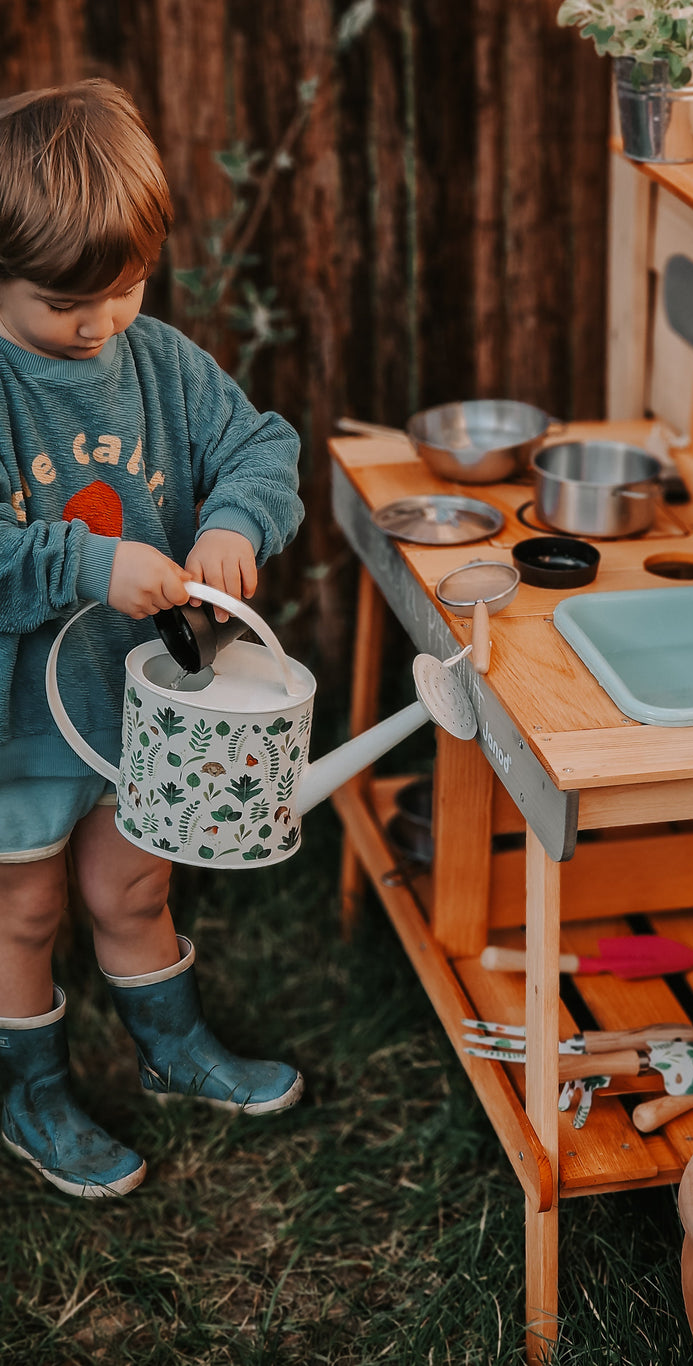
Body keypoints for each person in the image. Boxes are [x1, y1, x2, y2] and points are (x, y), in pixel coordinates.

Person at [0, 79, 306, 1198]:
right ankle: (30, 1091)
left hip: (142, 711)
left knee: (133, 889)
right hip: (18, 719)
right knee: (24, 908)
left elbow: (262, 445)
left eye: (122, 291)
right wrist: (91, 563)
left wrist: (234, 519)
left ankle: (173, 1050)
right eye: (59, 304)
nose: (95, 326)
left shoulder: (162, 366)